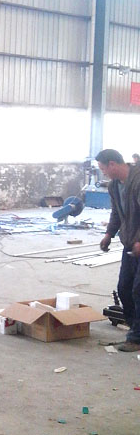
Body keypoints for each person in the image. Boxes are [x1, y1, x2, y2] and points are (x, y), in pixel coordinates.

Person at [96, 148, 140, 352]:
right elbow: (116, 213)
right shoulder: (114, 186)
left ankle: (136, 338)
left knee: (138, 290)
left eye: (103, 169)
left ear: (112, 164)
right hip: (130, 243)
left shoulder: (137, 180)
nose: (103, 173)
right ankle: (135, 329)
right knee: (124, 288)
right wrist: (109, 234)